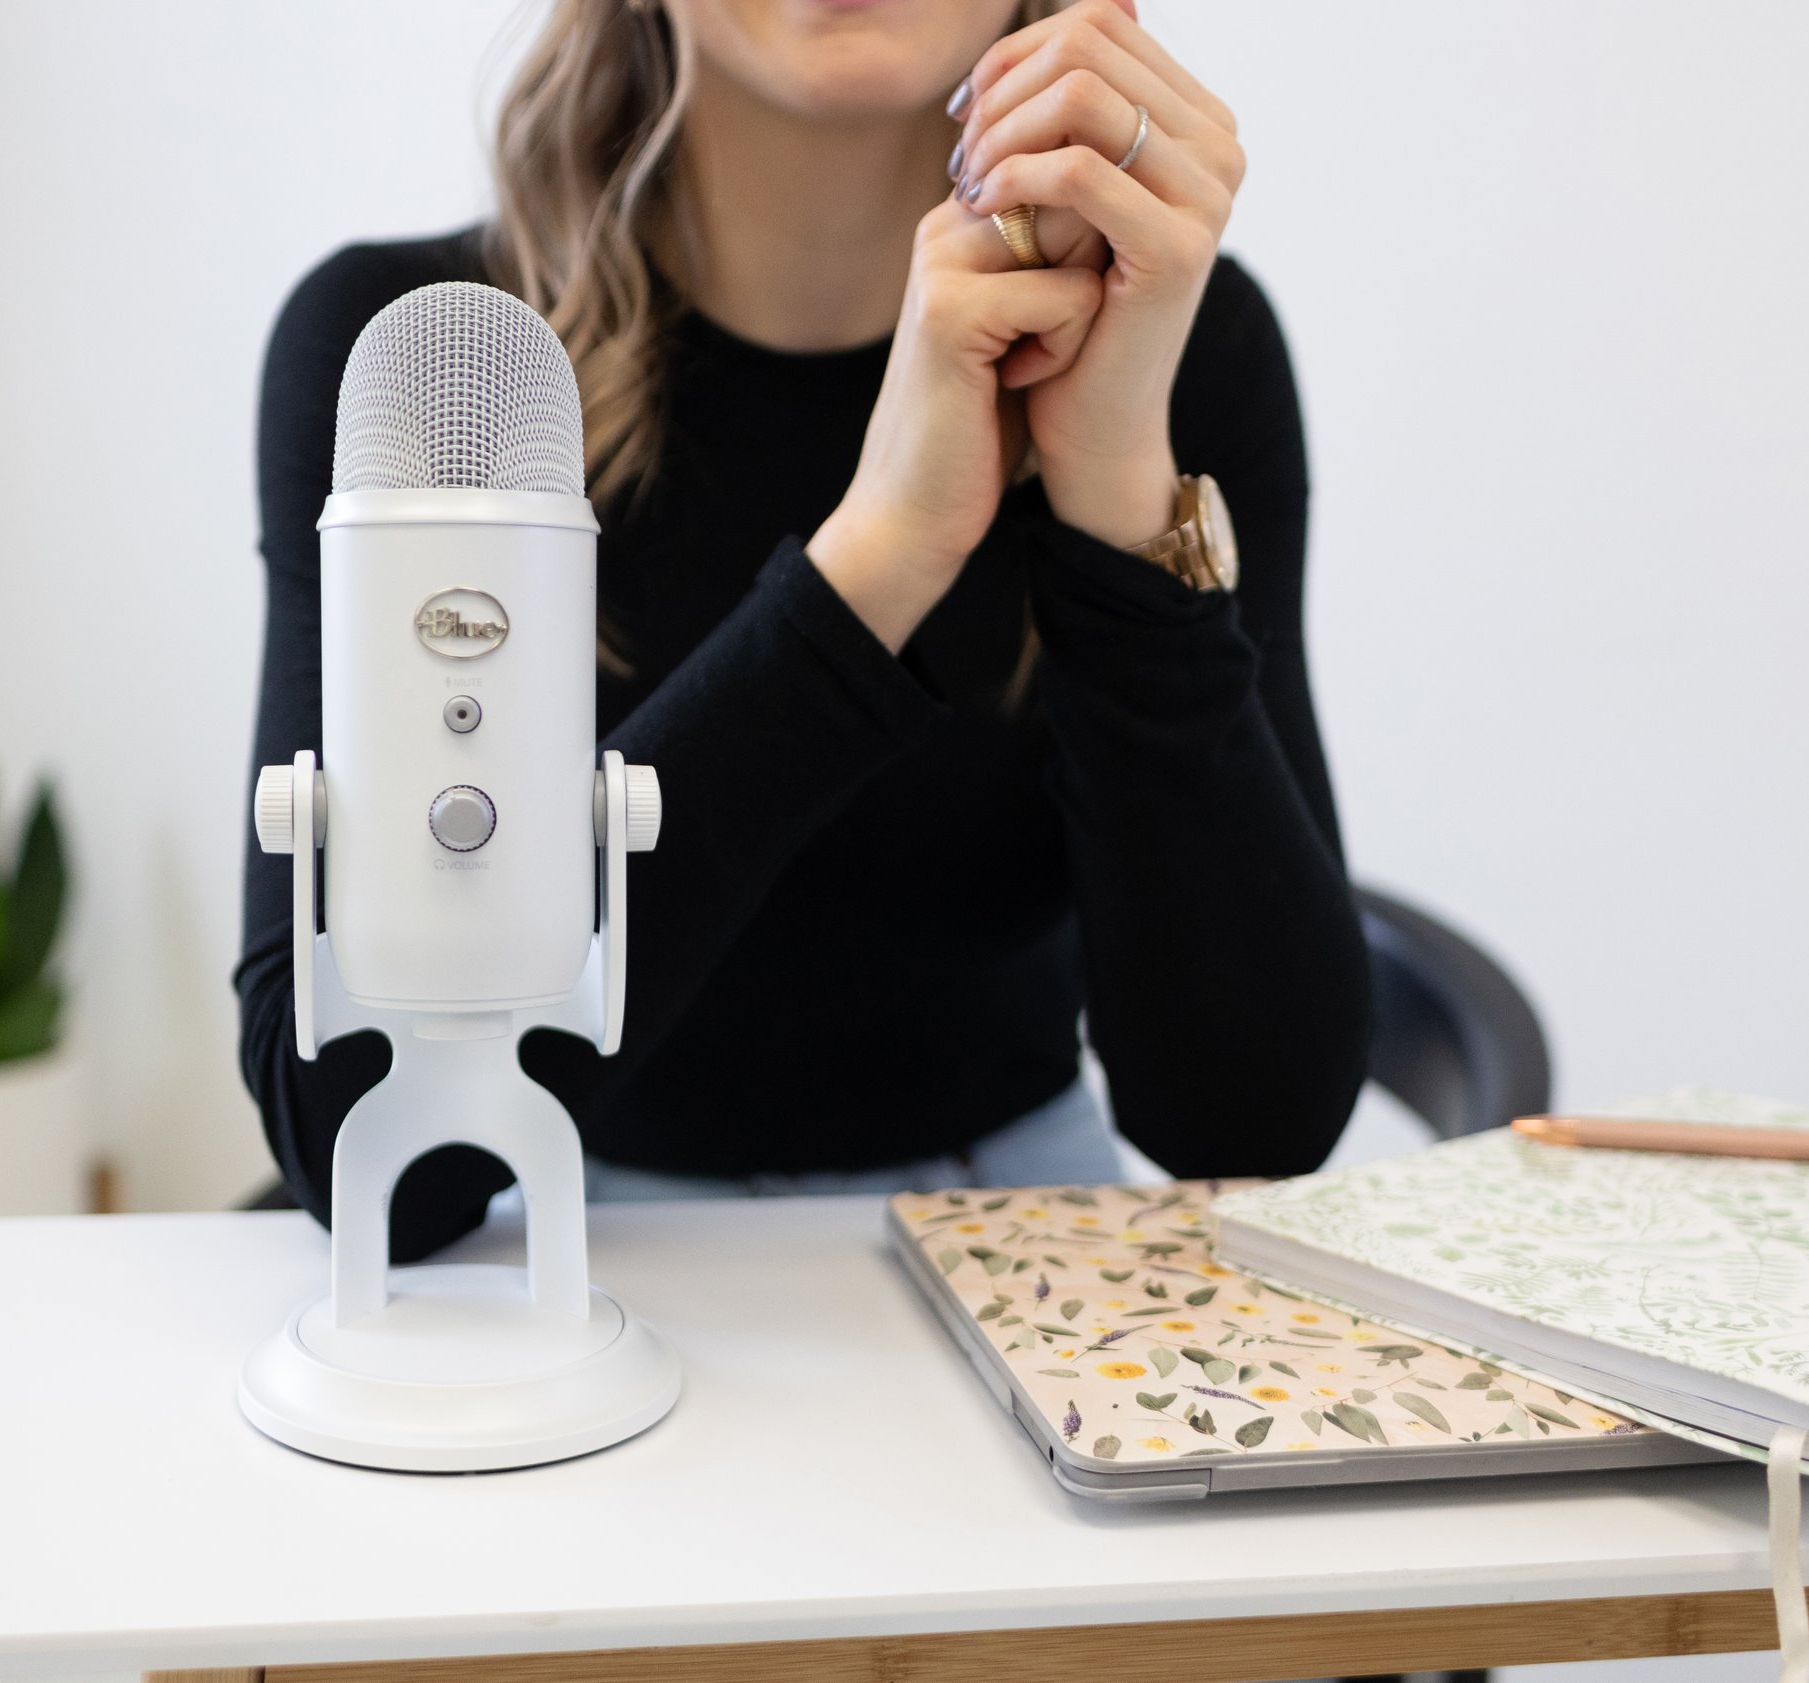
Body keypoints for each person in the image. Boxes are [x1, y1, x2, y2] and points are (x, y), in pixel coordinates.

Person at [238, 0, 1370, 1257]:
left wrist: (1116, 488)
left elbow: (1255, 1125)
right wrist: (880, 555)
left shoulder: (1175, 337)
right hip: (547, 1230)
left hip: (1017, 1230)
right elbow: (363, 1153)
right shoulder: (429, 364)